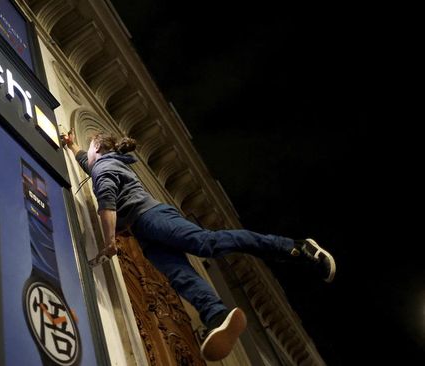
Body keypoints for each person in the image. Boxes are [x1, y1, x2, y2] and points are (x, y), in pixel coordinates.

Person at [62, 128, 336, 362]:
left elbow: (107, 204)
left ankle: (297, 248)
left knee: (207, 244)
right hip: (145, 232)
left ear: (97, 146)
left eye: (89, 149)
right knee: (180, 276)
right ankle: (216, 315)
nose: (88, 155)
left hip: (152, 217)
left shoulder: (104, 166)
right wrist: (72, 144)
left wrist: (109, 242)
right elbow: (86, 161)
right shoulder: (103, 163)